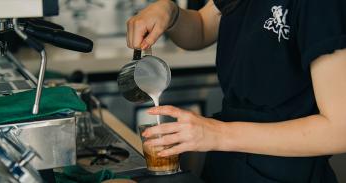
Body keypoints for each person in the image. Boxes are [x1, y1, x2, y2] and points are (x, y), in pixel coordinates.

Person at [126, 0, 346, 182]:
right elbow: (202, 27)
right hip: (229, 167)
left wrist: (218, 134)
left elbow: (339, 130)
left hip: (286, 173)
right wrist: (170, 12)